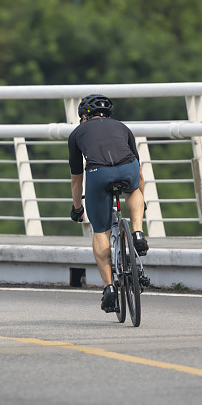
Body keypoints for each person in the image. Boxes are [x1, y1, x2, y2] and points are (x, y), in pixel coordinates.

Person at [68, 94, 148, 313]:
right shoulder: (123, 128)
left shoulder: (76, 134)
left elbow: (76, 179)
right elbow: (139, 174)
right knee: (133, 190)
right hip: (127, 167)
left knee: (101, 231)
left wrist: (77, 208)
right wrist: (141, 202)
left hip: (97, 173)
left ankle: (109, 288)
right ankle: (138, 233)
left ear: (84, 116)